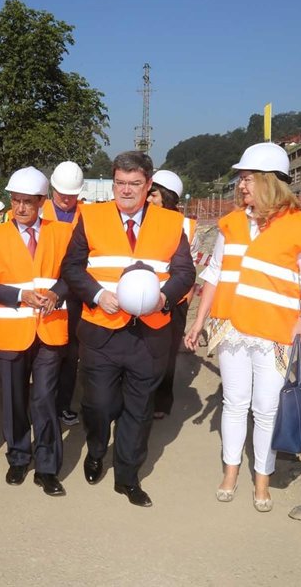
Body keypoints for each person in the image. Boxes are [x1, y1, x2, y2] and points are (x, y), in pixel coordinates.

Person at [184, 142, 301, 513]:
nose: (241, 185)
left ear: (269, 181)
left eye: (247, 178)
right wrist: (199, 321)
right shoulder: (231, 224)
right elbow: (214, 274)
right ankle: (230, 472)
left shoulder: (300, 226)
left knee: (265, 408)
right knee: (234, 403)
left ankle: (262, 477)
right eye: (241, 179)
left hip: (275, 333)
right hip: (231, 328)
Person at [61, 151, 195, 507]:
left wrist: (164, 299)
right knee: (99, 404)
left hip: (149, 334)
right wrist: (97, 294)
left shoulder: (171, 223)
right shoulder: (91, 217)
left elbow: (185, 272)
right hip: (102, 330)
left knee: (139, 409)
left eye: (135, 184)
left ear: (148, 185)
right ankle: (96, 449)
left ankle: (127, 477)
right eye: (120, 183)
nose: (126, 190)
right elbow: (72, 267)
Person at [0, 166, 73, 497]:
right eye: (15, 200)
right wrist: (19, 295)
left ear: (42, 202)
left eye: (27, 202)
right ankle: (18, 457)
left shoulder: (62, 233)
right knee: (14, 400)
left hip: (49, 330)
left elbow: (73, 274)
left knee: (44, 399)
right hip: (11, 331)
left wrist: (57, 293)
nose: (19, 208)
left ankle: (47, 468)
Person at [146, 170, 198, 419]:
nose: (148, 199)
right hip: (146, 297)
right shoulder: (143, 219)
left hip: (175, 300)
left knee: (167, 355)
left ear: (166, 197)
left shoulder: (187, 226)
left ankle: (161, 402)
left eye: (153, 195)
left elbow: (190, 270)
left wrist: (184, 301)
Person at [44, 161, 86, 426]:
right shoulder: (39, 211)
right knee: (45, 354)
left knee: (71, 353)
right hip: (43, 294)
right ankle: (43, 404)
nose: (66, 199)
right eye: (62, 193)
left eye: (72, 195)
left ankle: (63, 405)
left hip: (74, 296)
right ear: (52, 188)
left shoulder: (87, 216)